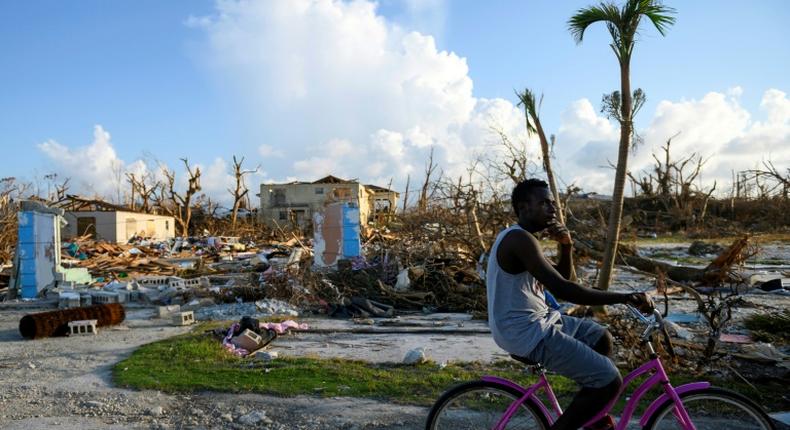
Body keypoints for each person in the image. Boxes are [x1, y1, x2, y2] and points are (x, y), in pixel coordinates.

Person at [486, 178, 653, 430]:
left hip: (540, 321)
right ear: (523, 208)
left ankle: (593, 418)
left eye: (552, 203)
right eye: (543, 203)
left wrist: (566, 245)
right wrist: (623, 297)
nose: (552, 209)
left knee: (601, 337)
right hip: (526, 332)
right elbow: (566, 290)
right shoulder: (519, 240)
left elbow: (563, 278)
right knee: (609, 380)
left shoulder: (526, 240)